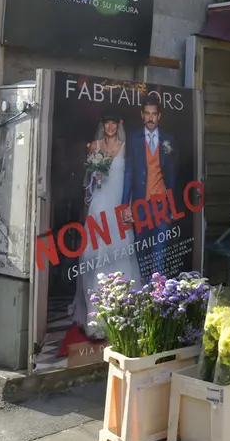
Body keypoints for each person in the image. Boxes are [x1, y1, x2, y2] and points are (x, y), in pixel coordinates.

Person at [73, 112, 143, 337]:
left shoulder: (125, 146)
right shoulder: (94, 146)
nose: (111, 127)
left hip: (118, 206)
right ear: (103, 125)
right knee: (98, 253)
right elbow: (88, 181)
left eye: (114, 123)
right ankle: (98, 317)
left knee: (121, 252)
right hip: (100, 205)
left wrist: (129, 206)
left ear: (118, 125)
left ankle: (124, 314)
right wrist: (96, 176)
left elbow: (130, 179)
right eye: (107, 123)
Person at [122, 94, 178, 281]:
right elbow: (129, 172)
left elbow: (172, 175)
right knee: (142, 252)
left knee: (159, 253)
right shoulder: (133, 139)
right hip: (141, 205)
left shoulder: (168, 139)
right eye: (147, 114)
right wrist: (125, 206)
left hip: (162, 205)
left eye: (154, 114)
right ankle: (146, 292)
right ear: (142, 115)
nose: (151, 118)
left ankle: (157, 294)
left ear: (159, 116)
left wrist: (172, 206)